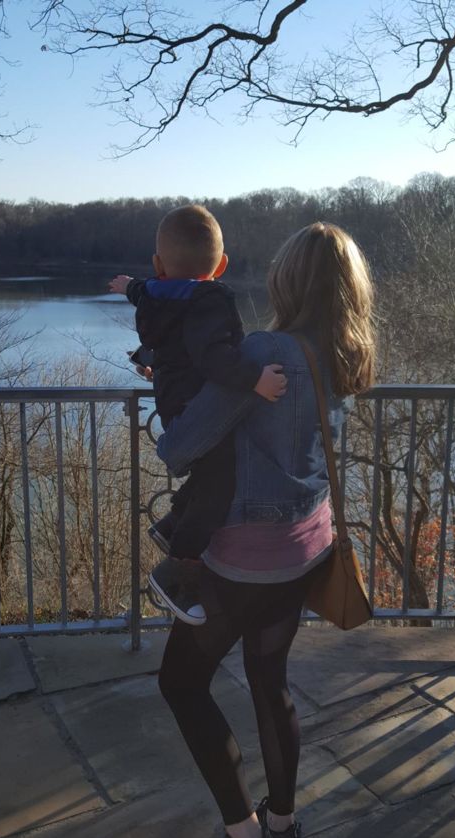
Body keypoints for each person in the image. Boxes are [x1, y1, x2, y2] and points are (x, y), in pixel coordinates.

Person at [155, 222, 376, 838]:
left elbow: (179, 448)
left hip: (245, 561)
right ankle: (282, 829)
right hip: (306, 548)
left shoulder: (263, 352)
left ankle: (245, 837)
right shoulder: (341, 354)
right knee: (269, 681)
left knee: (181, 684)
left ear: (287, 280)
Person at [109, 204, 286, 625]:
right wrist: (256, 379)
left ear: (158, 265)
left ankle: (172, 525)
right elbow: (213, 356)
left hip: (172, 400)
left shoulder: (154, 293)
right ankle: (178, 570)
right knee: (219, 486)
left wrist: (128, 285)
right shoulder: (210, 301)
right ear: (221, 266)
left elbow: (143, 294)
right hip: (196, 404)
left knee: (211, 474)